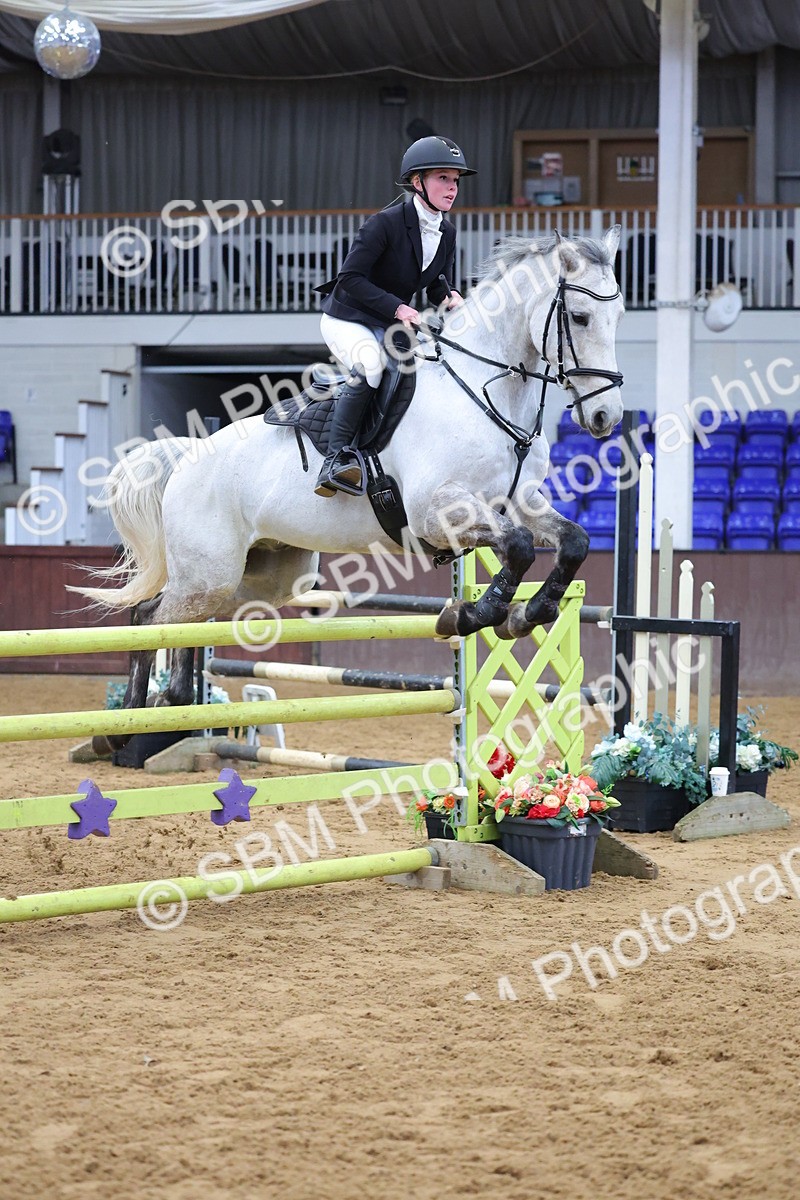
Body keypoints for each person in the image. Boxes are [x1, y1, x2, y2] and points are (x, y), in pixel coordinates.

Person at [314, 135, 476, 497]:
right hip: (348, 316)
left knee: (422, 368)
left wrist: (449, 297)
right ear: (417, 182)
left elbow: (435, 282)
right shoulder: (383, 223)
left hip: (386, 321)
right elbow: (349, 279)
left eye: (455, 180)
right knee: (371, 366)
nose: (452, 188)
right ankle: (335, 458)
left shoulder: (446, 231)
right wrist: (397, 307)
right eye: (443, 179)